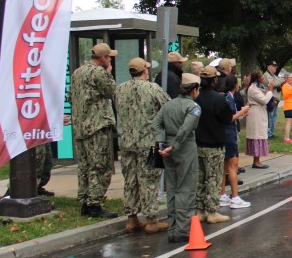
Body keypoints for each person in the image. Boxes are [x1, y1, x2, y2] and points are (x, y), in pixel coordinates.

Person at [115, 57, 171, 233]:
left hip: (126, 142)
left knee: (130, 180)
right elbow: (168, 107)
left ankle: (132, 218)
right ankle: (151, 219)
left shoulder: (120, 89)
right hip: (148, 142)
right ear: (145, 71)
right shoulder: (153, 88)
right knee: (149, 180)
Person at [70, 42, 118, 219]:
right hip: (97, 125)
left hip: (80, 126)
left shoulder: (77, 72)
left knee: (85, 165)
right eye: (109, 57)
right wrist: (108, 74)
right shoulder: (99, 72)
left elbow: (71, 96)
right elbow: (112, 92)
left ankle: (84, 200)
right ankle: (94, 203)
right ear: (103, 58)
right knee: (100, 165)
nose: (110, 60)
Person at [153, 73, 202, 243]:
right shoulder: (193, 107)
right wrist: (175, 145)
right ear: (194, 89)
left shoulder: (168, 105)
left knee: (172, 188)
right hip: (184, 147)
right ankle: (183, 229)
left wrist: (162, 143)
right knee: (186, 187)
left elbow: (156, 124)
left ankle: (172, 228)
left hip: (167, 147)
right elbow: (186, 128)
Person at [194, 67, 234, 224]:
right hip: (214, 144)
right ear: (214, 80)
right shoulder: (218, 99)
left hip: (199, 143)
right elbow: (227, 118)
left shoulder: (196, 98)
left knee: (200, 178)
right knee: (213, 178)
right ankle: (212, 211)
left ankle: (200, 210)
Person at [219, 74, 251, 210]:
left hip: (223, 134)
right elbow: (229, 118)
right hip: (229, 134)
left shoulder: (224, 97)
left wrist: (240, 114)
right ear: (235, 85)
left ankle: (222, 195)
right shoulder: (229, 98)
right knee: (233, 166)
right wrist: (242, 111)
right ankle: (235, 197)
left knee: (224, 166)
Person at [245, 70, 273, 168]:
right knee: (257, 136)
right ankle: (256, 161)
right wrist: (270, 91)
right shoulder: (253, 88)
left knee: (260, 135)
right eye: (261, 76)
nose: (263, 78)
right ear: (257, 78)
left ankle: (257, 160)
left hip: (260, 112)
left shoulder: (258, 87)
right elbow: (264, 100)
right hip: (256, 114)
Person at [262, 61, 281, 139]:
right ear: (269, 67)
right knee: (270, 117)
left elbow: (277, 82)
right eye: (273, 66)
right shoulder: (266, 75)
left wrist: (279, 81)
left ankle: (271, 133)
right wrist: (282, 80)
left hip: (275, 99)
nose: (275, 67)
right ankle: (268, 133)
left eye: (275, 66)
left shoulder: (273, 75)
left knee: (274, 117)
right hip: (270, 99)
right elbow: (274, 84)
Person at [280, 73, 292, 142]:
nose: (291, 78)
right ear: (286, 79)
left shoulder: (290, 86)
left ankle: (286, 137)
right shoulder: (285, 86)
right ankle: (286, 138)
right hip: (288, 106)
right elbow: (286, 96)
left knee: (289, 121)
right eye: (290, 77)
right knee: (288, 121)